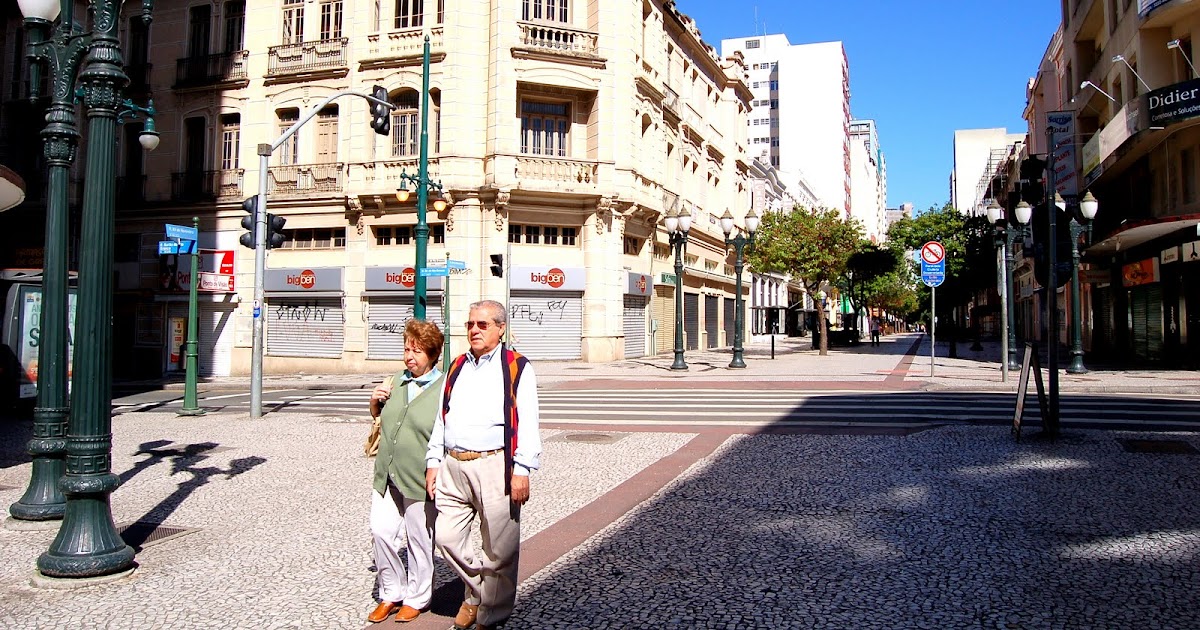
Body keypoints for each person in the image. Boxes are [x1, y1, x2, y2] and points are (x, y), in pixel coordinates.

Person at [426, 300, 542, 630]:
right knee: (446, 537)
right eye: (470, 325)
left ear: (501, 329)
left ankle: (491, 616)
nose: (474, 330)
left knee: (500, 550)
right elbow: (441, 417)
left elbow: (529, 420)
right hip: (453, 465)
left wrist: (522, 469)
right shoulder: (457, 365)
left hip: (496, 465)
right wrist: (434, 461)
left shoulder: (517, 366)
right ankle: (478, 592)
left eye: (483, 324)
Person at [366, 320, 445, 624]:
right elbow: (382, 420)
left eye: (417, 351)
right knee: (381, 531)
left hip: (420, 476)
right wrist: (375, 403)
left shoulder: (442, 388)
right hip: (387, 472)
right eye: (406, 349)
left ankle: (417, 596)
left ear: (433, 353)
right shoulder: (397, 380)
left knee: (419, 540)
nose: (409, 357)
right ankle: (391, 592)